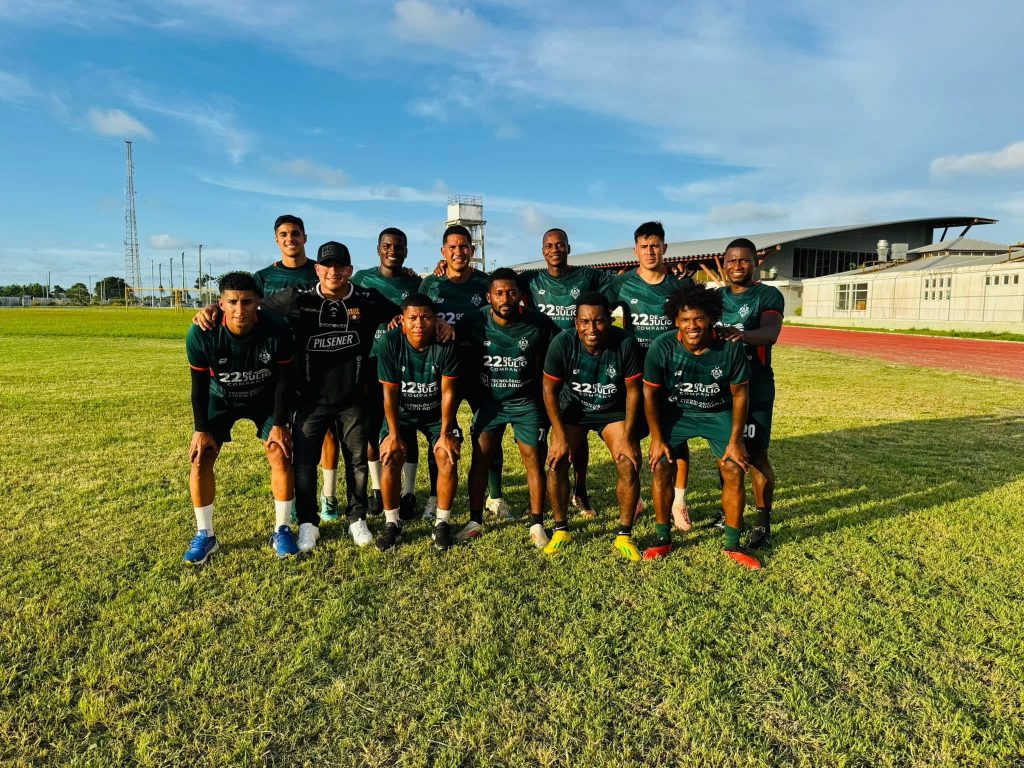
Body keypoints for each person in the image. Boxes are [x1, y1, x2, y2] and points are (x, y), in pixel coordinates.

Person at [260, 241, 400, 553]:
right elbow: (255, 308)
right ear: (317, 269)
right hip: (309, 399)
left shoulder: (366, 298)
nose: (333, 271)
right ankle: (308, 524)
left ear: (349, 270)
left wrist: (406, 319)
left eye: (340, 266)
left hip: (353, 397)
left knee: (357, 461)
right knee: (305, 463)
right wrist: (213, 310)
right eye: (327, 266)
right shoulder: (298, 298)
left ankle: (356, 518)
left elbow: (405, 314)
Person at [642, 283, 761, 568]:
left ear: (711, 318)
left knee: (734, 468)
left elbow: (740, 394)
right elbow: (649, 393)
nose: (692, 326)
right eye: (685, 319)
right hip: (677, 413)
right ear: (676, 321)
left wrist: (736, 440)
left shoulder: (729, 347)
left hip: (717, 413)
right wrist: (657, 439)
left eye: (699, 319)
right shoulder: (662, 346)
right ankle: (662, 537)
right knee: (661, 465)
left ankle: (733, 544)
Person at [183, 272, 296, 564]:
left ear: (258, 302)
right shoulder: (202, 332)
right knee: (201, 457)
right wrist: (200, 429)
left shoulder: (276, 328)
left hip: (264, 398)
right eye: (232, 302)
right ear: (221, 304)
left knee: (280, 451)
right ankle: (205, 534)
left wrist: (280, 424)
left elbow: (285, 380)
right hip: (220, 398)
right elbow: (198, 386)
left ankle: (282, 529)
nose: (239, 309)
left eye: (246, 301)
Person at [456, 268, 559, 549]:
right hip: (490, 403)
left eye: (511, 292)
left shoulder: (539, 323)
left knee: (533, 460)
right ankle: (475, 521)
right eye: (499, 293)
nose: (505, 298)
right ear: (489, 296)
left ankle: (537, 523)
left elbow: (562, 348)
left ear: (520, 295)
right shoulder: (473, 321)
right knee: (480, 457)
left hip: (526, 402)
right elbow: (451, 343)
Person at [518, 228, 614, 518]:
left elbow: (620, 283)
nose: (555, 249)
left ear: (569, 248)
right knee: (539, 434)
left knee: (576, 431)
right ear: (542, 251)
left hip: (577, 366)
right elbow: (497, 281)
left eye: (560, 244)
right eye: (549, 245)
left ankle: (580, 490)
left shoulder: (587, 276)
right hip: (541, 365)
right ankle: (541, 495)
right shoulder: (530, 279)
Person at [542, 292, 645, 559]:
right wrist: (559, 436)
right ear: (576, 323)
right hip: (574, 410)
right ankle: (561, 529)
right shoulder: (562, 342)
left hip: (613, 411)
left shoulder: (625, 342)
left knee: (628, 462)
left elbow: (634, 391)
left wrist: (629, 437)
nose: (592, 329)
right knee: (556, 462)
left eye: (598, 321)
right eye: (585, 322)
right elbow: (549, 390)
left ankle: (624, 535)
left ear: (609, 320)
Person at [607, 221, 695, 528]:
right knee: (631, 435)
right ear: (635, 250)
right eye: (644, 246)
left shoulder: (679, 286)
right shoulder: (622, 284)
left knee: (675, 438)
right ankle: (637, 499)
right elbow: (597, 311)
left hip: (671, 374)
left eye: (655, 245)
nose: (650, 251)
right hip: (634, 374)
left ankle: (679, 503)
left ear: (665, 248)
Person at [252, 214, 340, 522]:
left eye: (295, 233)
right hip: (277, 365)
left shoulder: (319, 271)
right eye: (284, 234)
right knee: (283, 434)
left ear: (305, 237)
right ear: (277, 239)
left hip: (317, 362)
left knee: (328, 431)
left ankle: (329, 497)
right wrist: (211, 308)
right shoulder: (263, 277)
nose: (290, 239)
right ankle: (287, 501)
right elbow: (240, 301)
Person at [419, 225, 510, 521]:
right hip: (443, 372)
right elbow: (419, 319)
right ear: (443, 252)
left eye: (463, 247)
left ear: (472, 250)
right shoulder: (431, 285)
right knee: (441, 433)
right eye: (452, 247)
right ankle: (434, 497)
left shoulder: (485, 283)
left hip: (481, 370)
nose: (458, 252)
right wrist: (438, 325)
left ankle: (495, 496)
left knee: (489, 432)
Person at [374, 294, 462, 552]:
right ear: (402, 320)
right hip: (402, 413)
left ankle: (442, 523)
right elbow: (389, 393)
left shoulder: (445, 343)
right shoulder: (390, 342)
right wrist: (393, 435)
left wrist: (445, 433)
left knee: (446, 456)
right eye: (412, 317)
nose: (419, 323)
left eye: (425, 317)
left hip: (435, 415)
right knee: (390, 455)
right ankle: (392, 523)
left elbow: (448, 392)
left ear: (435, 319)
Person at [714, 238, 784, 548]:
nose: (737, 266)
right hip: (721, 386)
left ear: (755, 263)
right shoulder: (716, 298)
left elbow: (770, 333)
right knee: (725, 453)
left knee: (755, 455)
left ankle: (762, 523)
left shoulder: (767, 294)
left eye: (744, 260)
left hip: (755, 385)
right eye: (732, 260)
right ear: (724, 263)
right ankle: (728, 513)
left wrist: (741, 335)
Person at [352, 228, 423, 519]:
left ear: (406, 250)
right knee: (372, 432)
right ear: (378, 249)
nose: (393, 250)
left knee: (406, 428)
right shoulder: (362, 279)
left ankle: (408, 493)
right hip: (371, 364)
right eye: (387, 246)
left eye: (399, 246)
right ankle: (377, 489)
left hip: (406, 367)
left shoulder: (415, 282)